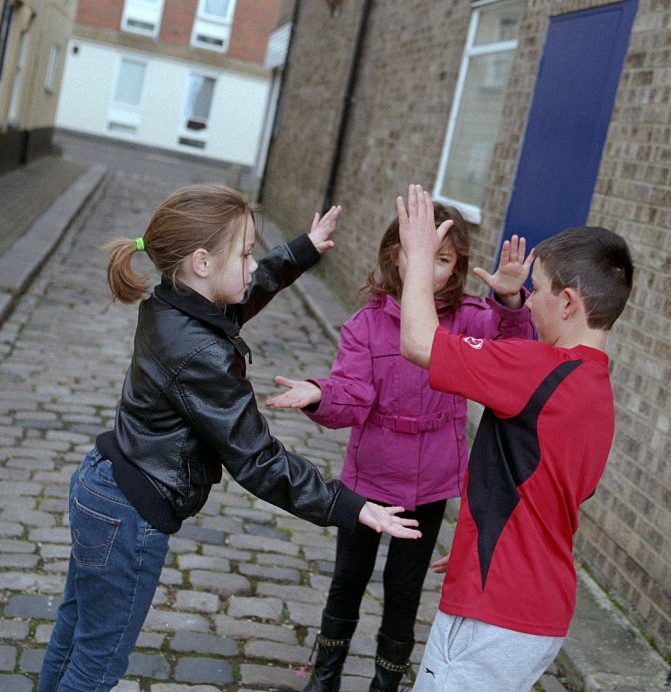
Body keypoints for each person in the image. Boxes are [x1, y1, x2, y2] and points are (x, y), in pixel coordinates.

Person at [37, 184, 421, 692]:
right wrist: (349, 507)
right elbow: (258, 460)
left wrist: (301, 250)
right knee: (96, 663)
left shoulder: (174, 303)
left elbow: (245, 290)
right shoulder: (201, 354)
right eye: (243, 253)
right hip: (129, 517)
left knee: (74, 634)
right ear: (200, 262)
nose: (250, 262)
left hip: (104, 489)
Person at [265, 202, 534, 692]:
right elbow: (351, 395)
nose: (430, 268)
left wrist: (512, 303)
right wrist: (320, 392)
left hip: (430, 482)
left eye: (443, 259)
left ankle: (385, 684)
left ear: (455, 268)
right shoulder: (366, 325)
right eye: (419, 253)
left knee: (404, 590)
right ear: (395, 255)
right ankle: (325, 676)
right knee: (348, 578)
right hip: (369, 476)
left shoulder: (471, 319)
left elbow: (516, 356)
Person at [396, 185, 634, 691]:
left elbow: (419, 341)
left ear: (568, 303)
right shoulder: (599, 394)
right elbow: (548, 492)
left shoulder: (538, 367)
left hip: (494, 610)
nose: (532, 302)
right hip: (540, 612)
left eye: (539, 290)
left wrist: (417, 259)